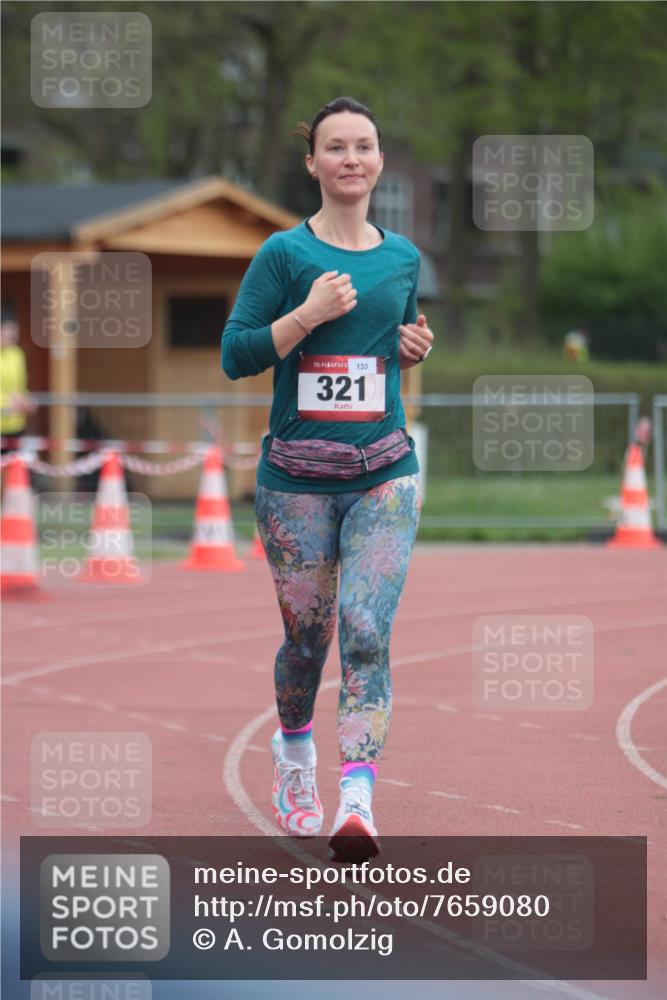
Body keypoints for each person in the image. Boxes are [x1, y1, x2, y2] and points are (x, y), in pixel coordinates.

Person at [222, 96, 434, 862]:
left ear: (378, 160)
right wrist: (305, 315)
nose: (351, 158)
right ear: (312, 162)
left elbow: (388, 345)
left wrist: (412, 348)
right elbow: (236, 355)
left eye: (363, 146)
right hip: (296, 481)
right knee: (306, 643)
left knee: (366, 633)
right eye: (335, 147)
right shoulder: (284, 255)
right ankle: (293, 752)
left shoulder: (402, 257)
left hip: (384, 471)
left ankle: (356, 801)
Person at [1, 311, 36, 453]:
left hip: (15, 424)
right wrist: (7, 403)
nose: (13, 337)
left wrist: (26, 400)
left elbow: (20, 386)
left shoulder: (17, 354)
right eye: (8, 332)